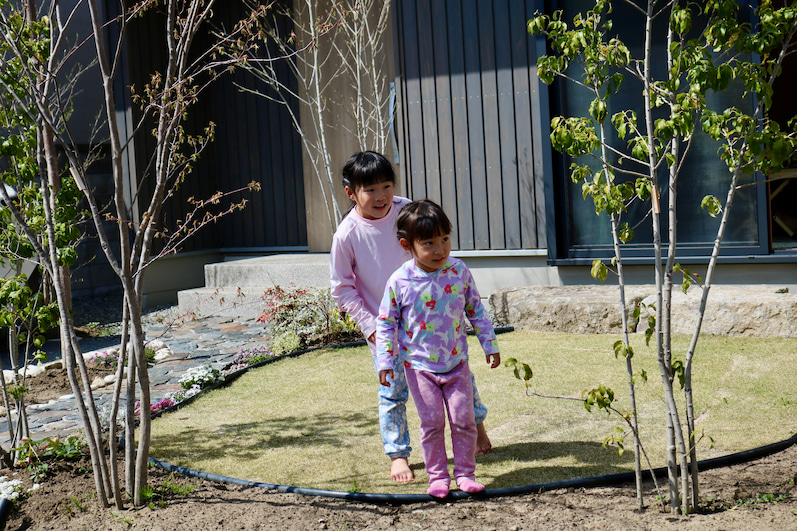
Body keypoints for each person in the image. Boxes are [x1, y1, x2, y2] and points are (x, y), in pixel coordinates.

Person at [329, 152, 493, 484]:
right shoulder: (346, 235)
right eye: (370, 190)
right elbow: (342, 288)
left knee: (459, 377)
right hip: (385, 328)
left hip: (430, 324)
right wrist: (370, 326)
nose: (380, 197)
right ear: (351, 193)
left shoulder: (408, 211)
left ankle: (476, 430)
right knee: (393, 392)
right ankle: (399, 455)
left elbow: (436, 241)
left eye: (386, 186)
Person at [375, 199, 501, 497]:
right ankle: (437, 478)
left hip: (456, 364)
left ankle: (466, 474)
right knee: (432, 423)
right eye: (429, 243)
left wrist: (489, 343)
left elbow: (476, 310)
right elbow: (385, 324)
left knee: (463, 419)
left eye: (445, 239)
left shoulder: (458, 271)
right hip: (419, 369)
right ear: (408, 245)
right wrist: (385, 362)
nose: (440, 249)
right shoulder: (400, 281)